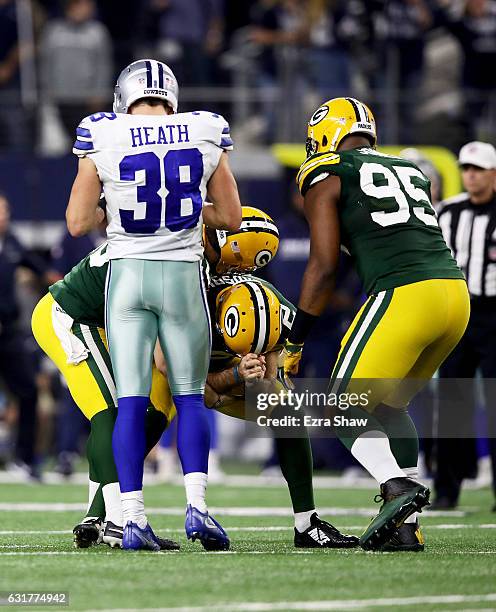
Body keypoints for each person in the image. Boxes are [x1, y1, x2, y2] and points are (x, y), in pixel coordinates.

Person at [65, 59, 242, 551]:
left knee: (132, 402)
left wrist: (118, 203)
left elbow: (78, 222)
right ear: (172, 99)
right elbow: (229, 215)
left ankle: (134, 520)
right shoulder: (206, 129)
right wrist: (186, 206)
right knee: (188, 398)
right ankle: (198, 508)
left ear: (124, 96)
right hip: (182, 276)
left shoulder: (102, 131)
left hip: (127, 278)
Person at [286, 97, 469, 551]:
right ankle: (406, 529)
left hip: (404, 294)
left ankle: (397, 487)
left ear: (325, 137)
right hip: (454, 296)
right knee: (387, 407)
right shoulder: (410, 169)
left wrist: (295, 340)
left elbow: (323, 266)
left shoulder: (325, 171)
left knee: (340, 407)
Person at [196, 210, 358, 549]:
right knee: (146, 413)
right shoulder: (183, 274)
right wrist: (230, 378)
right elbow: (188, 382)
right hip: (168, 363)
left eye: (250, 266)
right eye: (238, 262)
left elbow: (277, 375)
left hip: (216, 372)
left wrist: (269, 375)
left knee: (287, 410)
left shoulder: (259, 295)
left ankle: (307, 523)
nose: (239, 272)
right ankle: (114, 514)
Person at [31, 237, 179, 550]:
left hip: (102, 323)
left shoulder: (162, 247)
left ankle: (96, 516)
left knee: (145, 412)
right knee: (109, 413)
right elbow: (165, 360)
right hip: (71, 316)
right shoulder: (172, 255)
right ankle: (117, 520)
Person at [433, 141, 496, 511]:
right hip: (460, 312)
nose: (470, 175)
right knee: (452, 402)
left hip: (494, 316)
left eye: (477, 169)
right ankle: (447, 490)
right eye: (465, 169)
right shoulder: (448, 212)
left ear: (492, 174)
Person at [0, 193, 48, 479]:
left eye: (6, 210)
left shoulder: (13, 243)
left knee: (29, 391)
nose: (4, 215)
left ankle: (26, 460)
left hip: (8, 332)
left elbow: (41, 269)